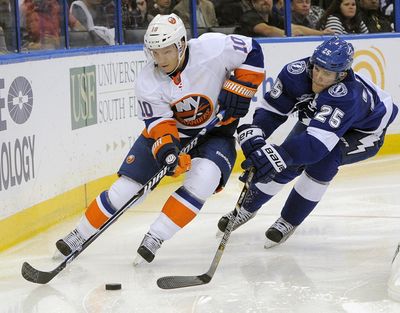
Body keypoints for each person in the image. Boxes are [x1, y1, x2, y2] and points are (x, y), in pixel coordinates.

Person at [55, 13, 265, 264]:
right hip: (172, 134)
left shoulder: (212, 48)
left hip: (216, 132)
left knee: (204, 180)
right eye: (154, 52)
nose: (160, 59)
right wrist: (168, 152)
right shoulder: (147, 81)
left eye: (166, 51)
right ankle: (80, 234)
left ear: (181, 45)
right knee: (126, 190)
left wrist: (241, 87)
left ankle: (156, 236)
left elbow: (253, 49)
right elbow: (160, 124)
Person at [217, 37, 398, 249]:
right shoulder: (295, 73)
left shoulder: (347, 95)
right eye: (317, 68)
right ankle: (247, 208)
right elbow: (273, 110)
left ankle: (289, 220)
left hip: (364, 131)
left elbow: (315, 147)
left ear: (341, 75)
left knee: (323, 160)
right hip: (323, 122)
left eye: (327, 74)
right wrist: (258, 136)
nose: (319, 78)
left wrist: (278, 156)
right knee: (285, 161)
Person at [234, 0, 334, 37]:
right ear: (253, 2)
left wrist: (321, 33)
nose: (265, 1)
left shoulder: (273, 16)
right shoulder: (248, 16)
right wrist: (288, 35)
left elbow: (296, 28)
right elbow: (267, 30)